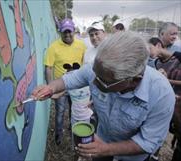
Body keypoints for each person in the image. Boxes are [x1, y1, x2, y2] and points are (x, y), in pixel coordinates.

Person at [33, 31, 175, 161]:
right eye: (95, 75)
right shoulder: (101, 67)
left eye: (103, 82)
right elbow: (69, 79)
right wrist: (50, 87)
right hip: (101, 142)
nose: (93, 82)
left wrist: (106, 149)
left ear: (133, 80)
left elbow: (148, 142)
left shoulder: (162, 94)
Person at [44, 18, 87, 145]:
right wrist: (51, 89)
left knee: (75, 109)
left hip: (77, 87)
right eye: (64, 32)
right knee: (60, 112)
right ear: (60, 32)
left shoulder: (82, 46)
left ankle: (72, 128)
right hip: (61, 87)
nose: (67, 35)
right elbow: (48, 68)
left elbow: (85, 64)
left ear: (74, 31)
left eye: (70, 31)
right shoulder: (53, 47)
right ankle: (58, 135)